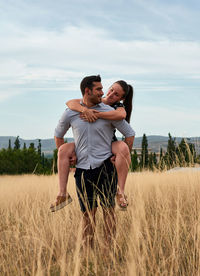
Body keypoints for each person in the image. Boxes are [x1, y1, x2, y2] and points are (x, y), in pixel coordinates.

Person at [53, 75, 135, 249]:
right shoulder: (71, 112)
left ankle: (108, 252)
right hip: (83, 170)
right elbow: (58, 135)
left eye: (110, 91)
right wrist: (71, 156)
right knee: (87, 215)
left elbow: (129, 132)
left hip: (105, 166)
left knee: (109, 212)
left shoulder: (110, 112)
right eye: (99, 89)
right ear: (87, 91)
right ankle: (88, 254)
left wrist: (121, 156)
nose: (104, 92)